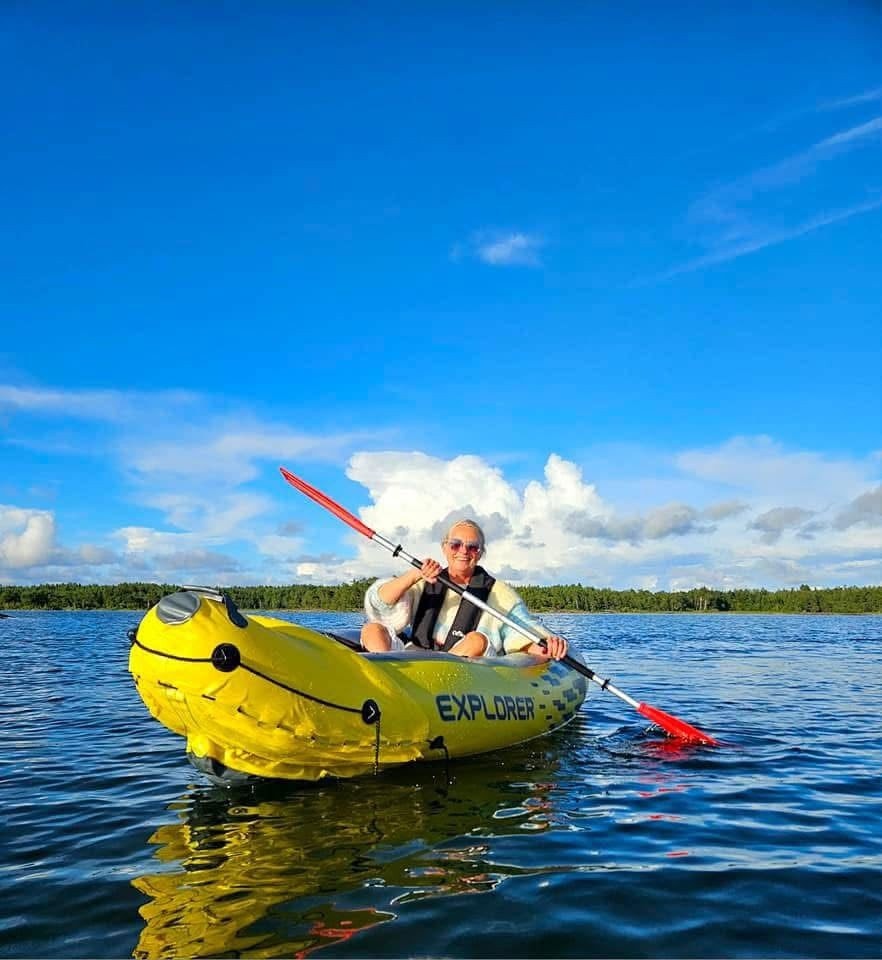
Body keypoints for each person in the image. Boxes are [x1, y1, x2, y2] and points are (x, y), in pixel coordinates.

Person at [360, 518, 568, 660]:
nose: (463, 551)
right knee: (372, 630)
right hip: (416, 661)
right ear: (444, 548)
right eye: (456, 545)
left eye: (472, 547)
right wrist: (414, 575)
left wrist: (546, 645)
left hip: (467, 673)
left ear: (479, 554)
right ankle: (385, 685)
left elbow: (524, 637)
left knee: (476, 640)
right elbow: (379, 605)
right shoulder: (424, 580)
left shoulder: (501, 594)